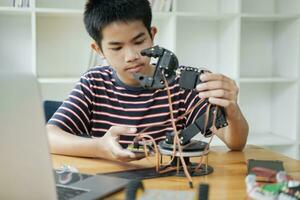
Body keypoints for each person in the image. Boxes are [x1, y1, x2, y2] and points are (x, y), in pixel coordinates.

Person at [46, 0, 249, 162]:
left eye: (139, 41)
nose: (131, 55)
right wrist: (99, 148)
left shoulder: (181, 84)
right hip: (109, 181)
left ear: (152, 35)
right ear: (98, 50)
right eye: (116, 48)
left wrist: (231, 108)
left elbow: (235, 142)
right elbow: (48, 137)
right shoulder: (93, 83)